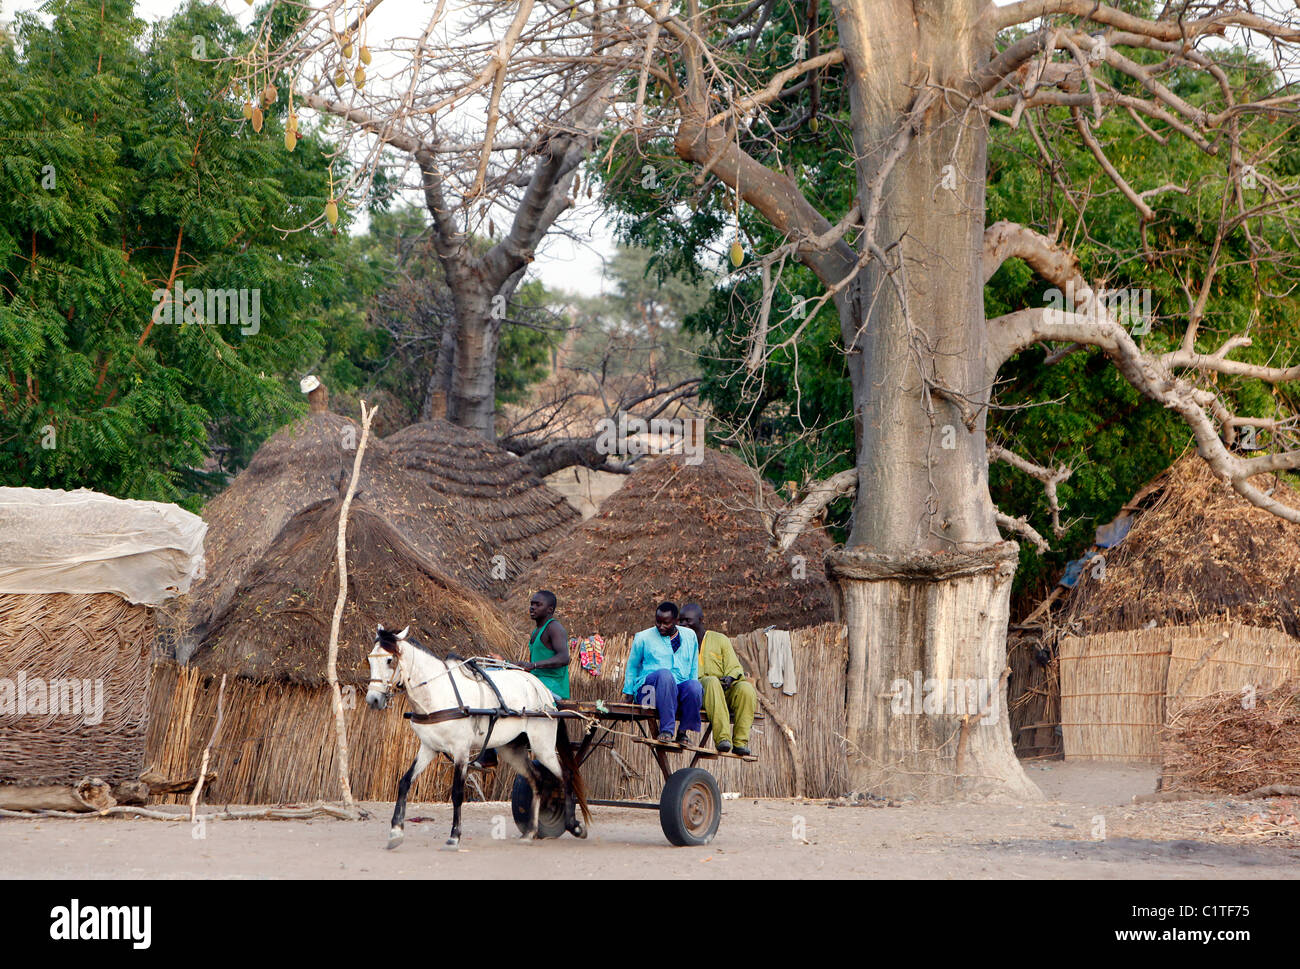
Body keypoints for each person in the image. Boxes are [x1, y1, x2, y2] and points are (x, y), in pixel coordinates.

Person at [471, 590, 570, 770]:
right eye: (531, 603)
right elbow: (526, 667)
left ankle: (488, 755)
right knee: (493, 674)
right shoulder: (536, 631)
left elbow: (564, 658)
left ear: (550, 609)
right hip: (533, 685)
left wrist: (533, 665)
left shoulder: (554, 627)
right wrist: (504, 663)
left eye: (537, 604)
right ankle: (489, 753)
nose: (532, 607)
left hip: (550, 689)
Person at [680, 603, 756, 756]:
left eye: (687, 620)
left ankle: (740, 742)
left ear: (701, 619)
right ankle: (722, 739)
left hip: (723, 692)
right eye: (680, 621)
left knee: (746, 689)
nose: (683, 625)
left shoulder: (720, 639)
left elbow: (734, 667)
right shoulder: (679, 643)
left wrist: (730, 678)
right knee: (712, 681)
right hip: (696, 694)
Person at [622, 601, 702, 744]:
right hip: (649, 693)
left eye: (666, 623)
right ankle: (666, 730)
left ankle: (682, 732)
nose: (661, 626)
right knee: (665, 675)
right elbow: (632, 666)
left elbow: (693, 667)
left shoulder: (690, 636)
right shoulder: (643, 637)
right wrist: (628, 694)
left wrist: (692, 692)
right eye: (658, 622)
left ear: (676, 621)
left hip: (676, 692)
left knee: (695, 686)